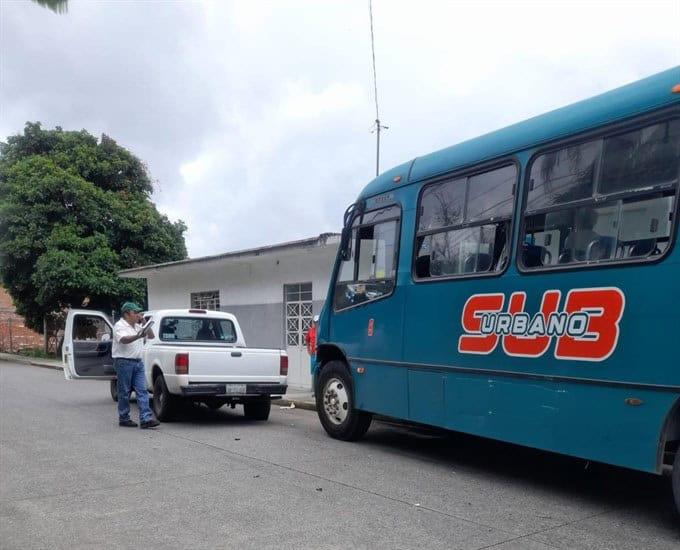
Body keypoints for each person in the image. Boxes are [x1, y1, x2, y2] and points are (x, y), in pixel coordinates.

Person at [112, 302, 160, 428]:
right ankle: (124, 417)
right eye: (135, 313)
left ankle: (146, 419)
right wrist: (138, 336)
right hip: (124, 362)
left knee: (142, 390)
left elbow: (151, 335)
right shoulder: (119, 326)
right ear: (127, 314)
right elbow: (124, 340)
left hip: (138, 362)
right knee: (124, 392)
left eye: (139, 312)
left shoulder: (137, 326)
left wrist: (144, 321)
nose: (137, 315)